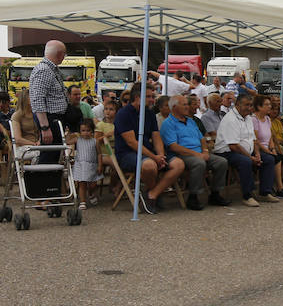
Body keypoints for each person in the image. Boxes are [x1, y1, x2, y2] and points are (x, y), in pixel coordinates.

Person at [114, 84, 185, 214]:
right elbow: (132, 143)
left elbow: (156, 136)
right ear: (137, 97)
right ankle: (153, 195)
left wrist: (161, 155)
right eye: (148, 96)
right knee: (149, 166)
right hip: (128, 154)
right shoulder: (123, 114)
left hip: (149, 152)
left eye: (153, 96)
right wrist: (155, 157)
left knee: (179, 164)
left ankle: (152, 194)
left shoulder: (149, 113)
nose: (153, 100)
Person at [162, 95, 231, 208]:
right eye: (184, 104)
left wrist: (204, 151)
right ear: (174, 107)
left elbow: (201, 138)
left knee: (221, 162)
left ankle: (215, 194)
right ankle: (193, 197)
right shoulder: (168, 123)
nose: (187, 107)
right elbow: (174, 146)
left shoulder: (190, 121)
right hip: (181, 155)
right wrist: (198, 154)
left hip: (199, 153)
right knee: (199, 163)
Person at [214, 94, 275, 206]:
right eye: (246, 105)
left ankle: (265, 192)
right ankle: (247, 195)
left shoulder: (248, 118)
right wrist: (250, 157)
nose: (249, 107)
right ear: (237, 105)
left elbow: (254, 140)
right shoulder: (230, 119)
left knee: (269, 159)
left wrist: (257, 154)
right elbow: (233, 146)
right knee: (245, 162)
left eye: (251, 105)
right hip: (227, 152)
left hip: (245, 150)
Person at [29, 41, 70, 164]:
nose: (64, 57)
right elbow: (37, 98)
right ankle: (44, 182)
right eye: (64, 54)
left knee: (54, 154)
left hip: (54, 118)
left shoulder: (51, 69)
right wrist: (45, 127)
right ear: (59, 54)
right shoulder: (44, 70)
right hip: (49, 118)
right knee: (49, 154)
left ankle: (50, 181)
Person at [250, 95, 283, 200]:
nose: (269, 106)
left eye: (269, 104)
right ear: (259, 106)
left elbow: (270, 138)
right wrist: (267, 151)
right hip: (256, 149)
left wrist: (273, 149)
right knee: (275, 159)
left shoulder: (267, 119)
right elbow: (255, 140)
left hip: (267, 149)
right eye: (267, 104)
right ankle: (279, 188)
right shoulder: (254, 119)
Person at [67, 118, 103, 210]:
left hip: (92, 165)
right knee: (82, 184)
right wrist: (70, 133)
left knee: (93, 184)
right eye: (83, 131)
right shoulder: (77, 140)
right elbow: (67, 142)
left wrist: (100, 165)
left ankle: (91, 193)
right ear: (80, 131)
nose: (85, 133)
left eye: (88, 130)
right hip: (81, 165)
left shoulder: (95, 141)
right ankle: (83, 201)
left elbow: (99, 154)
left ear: (92, 131)